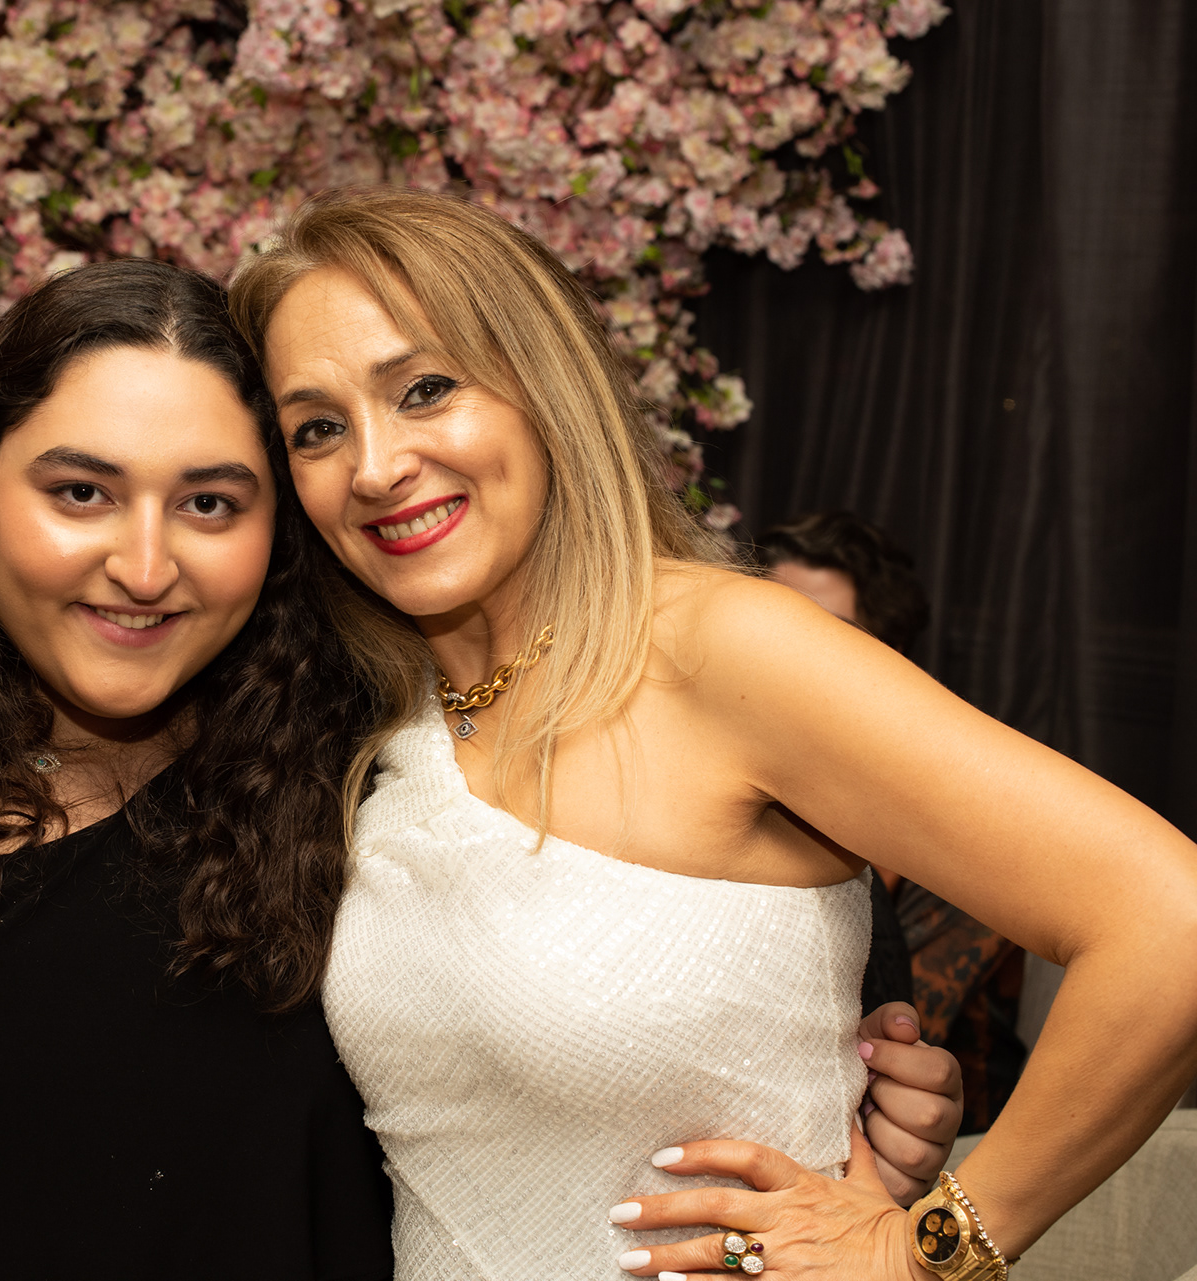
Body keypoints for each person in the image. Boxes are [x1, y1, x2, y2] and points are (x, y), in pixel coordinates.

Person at [0, 260, 954, 1280]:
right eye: (80, 490)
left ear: (282, 525)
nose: (143, 564)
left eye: (212, 502)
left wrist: (845, 1096)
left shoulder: (372, 736)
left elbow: (697, 903)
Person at [227, 188, 1197, 1281]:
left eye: (425, 389)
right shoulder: (376, 722)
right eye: (317, 428)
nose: (373, 465)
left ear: (544, 386)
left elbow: (1169, 919)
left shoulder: (720, 648)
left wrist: (927, 1250)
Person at [762, 511, 1025, 1131]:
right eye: (773, 624)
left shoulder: (964, 840)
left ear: (890, 658)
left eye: (830, 633)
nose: (788, 657)